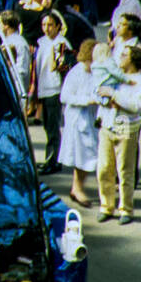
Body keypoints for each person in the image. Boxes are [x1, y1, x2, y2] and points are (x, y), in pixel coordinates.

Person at [96, 42, 141, 224]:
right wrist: (105, 100)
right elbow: (100, 93)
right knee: (104, 168)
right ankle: (106, 206)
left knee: (124, 170)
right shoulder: (114, 76)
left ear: (133, 60)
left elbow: (136, 106)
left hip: (126, 125)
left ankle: (126, 209)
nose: (119, 57)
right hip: (108, 124)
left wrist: (114, 95)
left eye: (124, 55)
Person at [59, 40, 101, 206]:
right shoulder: (76, 73)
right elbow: (65, 97)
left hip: (91, 119)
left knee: (88, 154)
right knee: (81, 155)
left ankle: (77, 187)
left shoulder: (95, 73)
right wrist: (87, 100)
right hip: (77, 119)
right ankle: (77, 188)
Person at [31, 10, 72, 174]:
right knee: (48, 127)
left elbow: (65, 68)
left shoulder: (62, 44)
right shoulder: (41, 42)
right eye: (44, 25)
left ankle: (53, 161)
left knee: (53, 128)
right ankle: (50, 158)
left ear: (57, 26)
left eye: (50, 25)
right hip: (43, 88)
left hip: (54, 89)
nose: (46, 28)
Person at [0, 10, 32, 103]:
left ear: (6, 25)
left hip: (16, 93)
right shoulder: (6, 41)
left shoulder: (19, 43)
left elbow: (21, 71)